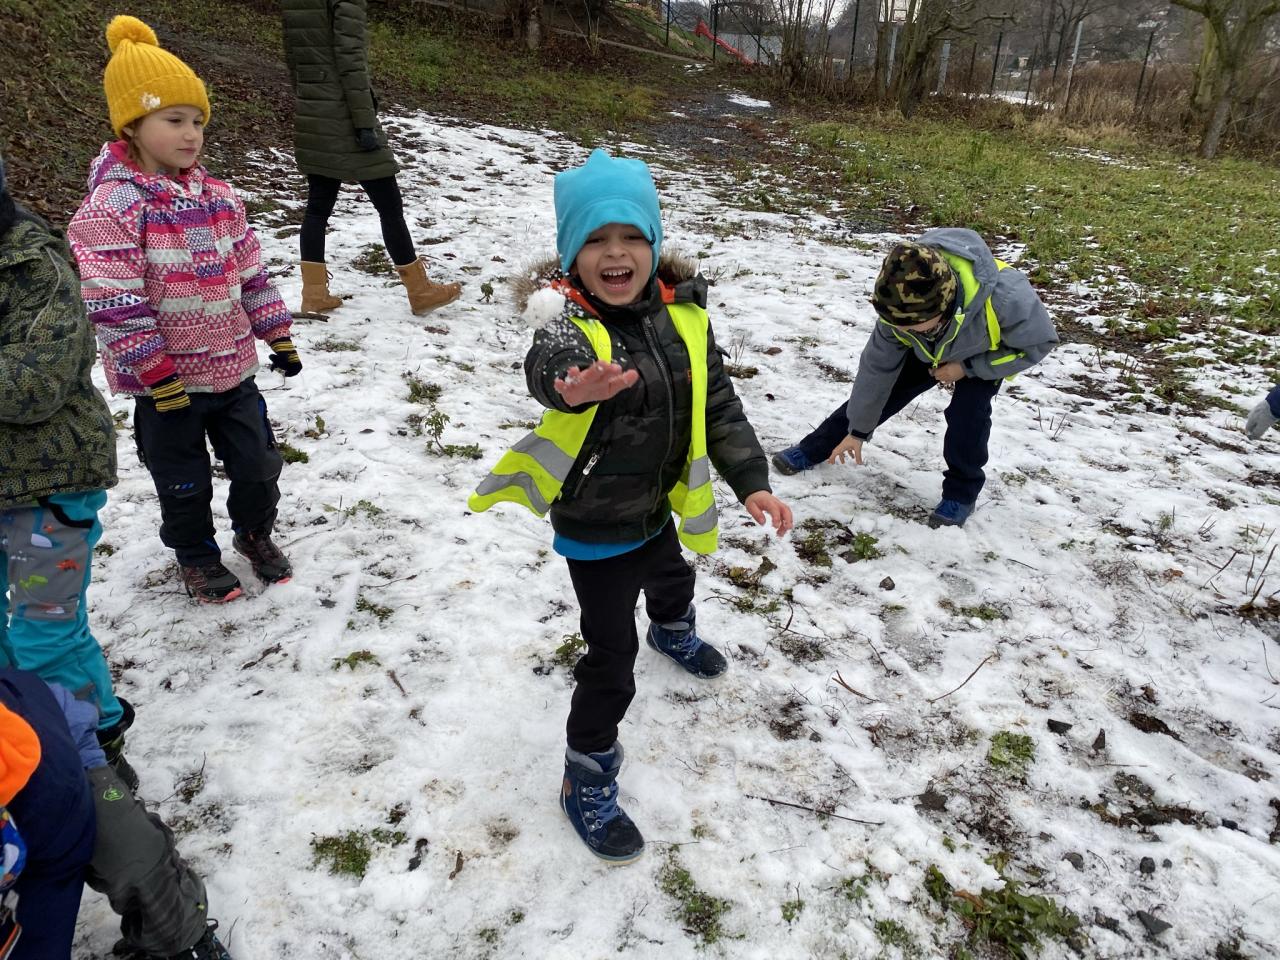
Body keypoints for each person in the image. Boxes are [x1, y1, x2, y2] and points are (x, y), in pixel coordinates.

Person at [470, 150, 792, 863]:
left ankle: (673, 629)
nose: (615, 253)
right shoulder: (564, 323)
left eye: (631, 237)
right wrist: (575, 388)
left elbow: (720, 405)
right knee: (611, 655)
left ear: (654, 242)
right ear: (571, 256)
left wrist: (752, 481)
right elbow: (549, 369)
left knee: (674, 576)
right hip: (595, 523)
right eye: (595, 239)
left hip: (656, 507)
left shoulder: (686, 319)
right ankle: (585, 772)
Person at [68, 16, 301, 603]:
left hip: (233, 370)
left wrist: (276, 332)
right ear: (133, 124)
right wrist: (155, 372)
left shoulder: (220, 197)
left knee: (258, 465)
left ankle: (254, 532)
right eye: (174, 120)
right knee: (183, 481)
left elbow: (250, 271)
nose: (191, 133)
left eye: (197, 120)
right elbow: (115, 301)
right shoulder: (113, 207)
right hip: (166, 386)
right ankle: (196, 556)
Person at [0, 149, 138, 785]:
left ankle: (93, 746)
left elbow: (36, 384)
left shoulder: (35, 267)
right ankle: (21, 738)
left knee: (45, 632)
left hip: (47, 484)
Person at [772, 231, 1059, 528]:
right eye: (895, 325)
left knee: (968, 416)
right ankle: (816, 447)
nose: (899, 330)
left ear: (943, 306)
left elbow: (1038, 344)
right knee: (886, 391)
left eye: (911, 325)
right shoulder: (899, 310)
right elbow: (875, 374)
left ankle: (961, 494)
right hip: (928, 348)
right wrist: (858, 430)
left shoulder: (1007, 297)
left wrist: (967, 368)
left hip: (981, 355)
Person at [280, 0, 461, 315]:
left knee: (318, 208)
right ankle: (419, 291)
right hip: (346, 117)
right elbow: (351, 60)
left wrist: (310, 99)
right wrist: (365, 123)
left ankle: (314, 295)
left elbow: (293, 54)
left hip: (313, 111)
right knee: (390, 206)